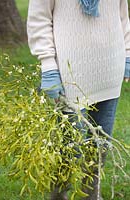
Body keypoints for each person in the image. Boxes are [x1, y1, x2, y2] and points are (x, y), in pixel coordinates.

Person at [27, 0, 130, 199]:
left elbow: (122, 16)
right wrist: (48, 65)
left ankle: (91, 194)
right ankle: (59, 195)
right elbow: (39, 20)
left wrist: (128, 53)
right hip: (70, 74)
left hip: (110, 69)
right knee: (68, 146)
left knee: (100, 143)